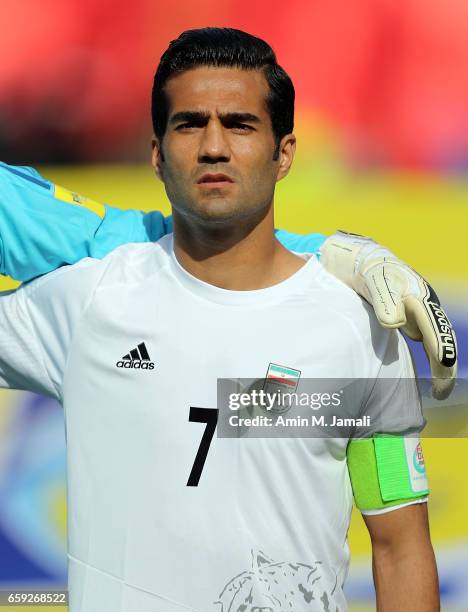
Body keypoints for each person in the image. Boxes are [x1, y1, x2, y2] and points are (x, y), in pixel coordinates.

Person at [0, 27, 439, 611]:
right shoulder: (87, 300)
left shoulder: (357, 325)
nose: (213, 146)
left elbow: (399, 545)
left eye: (239, 124)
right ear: (156, 154)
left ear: (285, 153)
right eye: (188, 124)